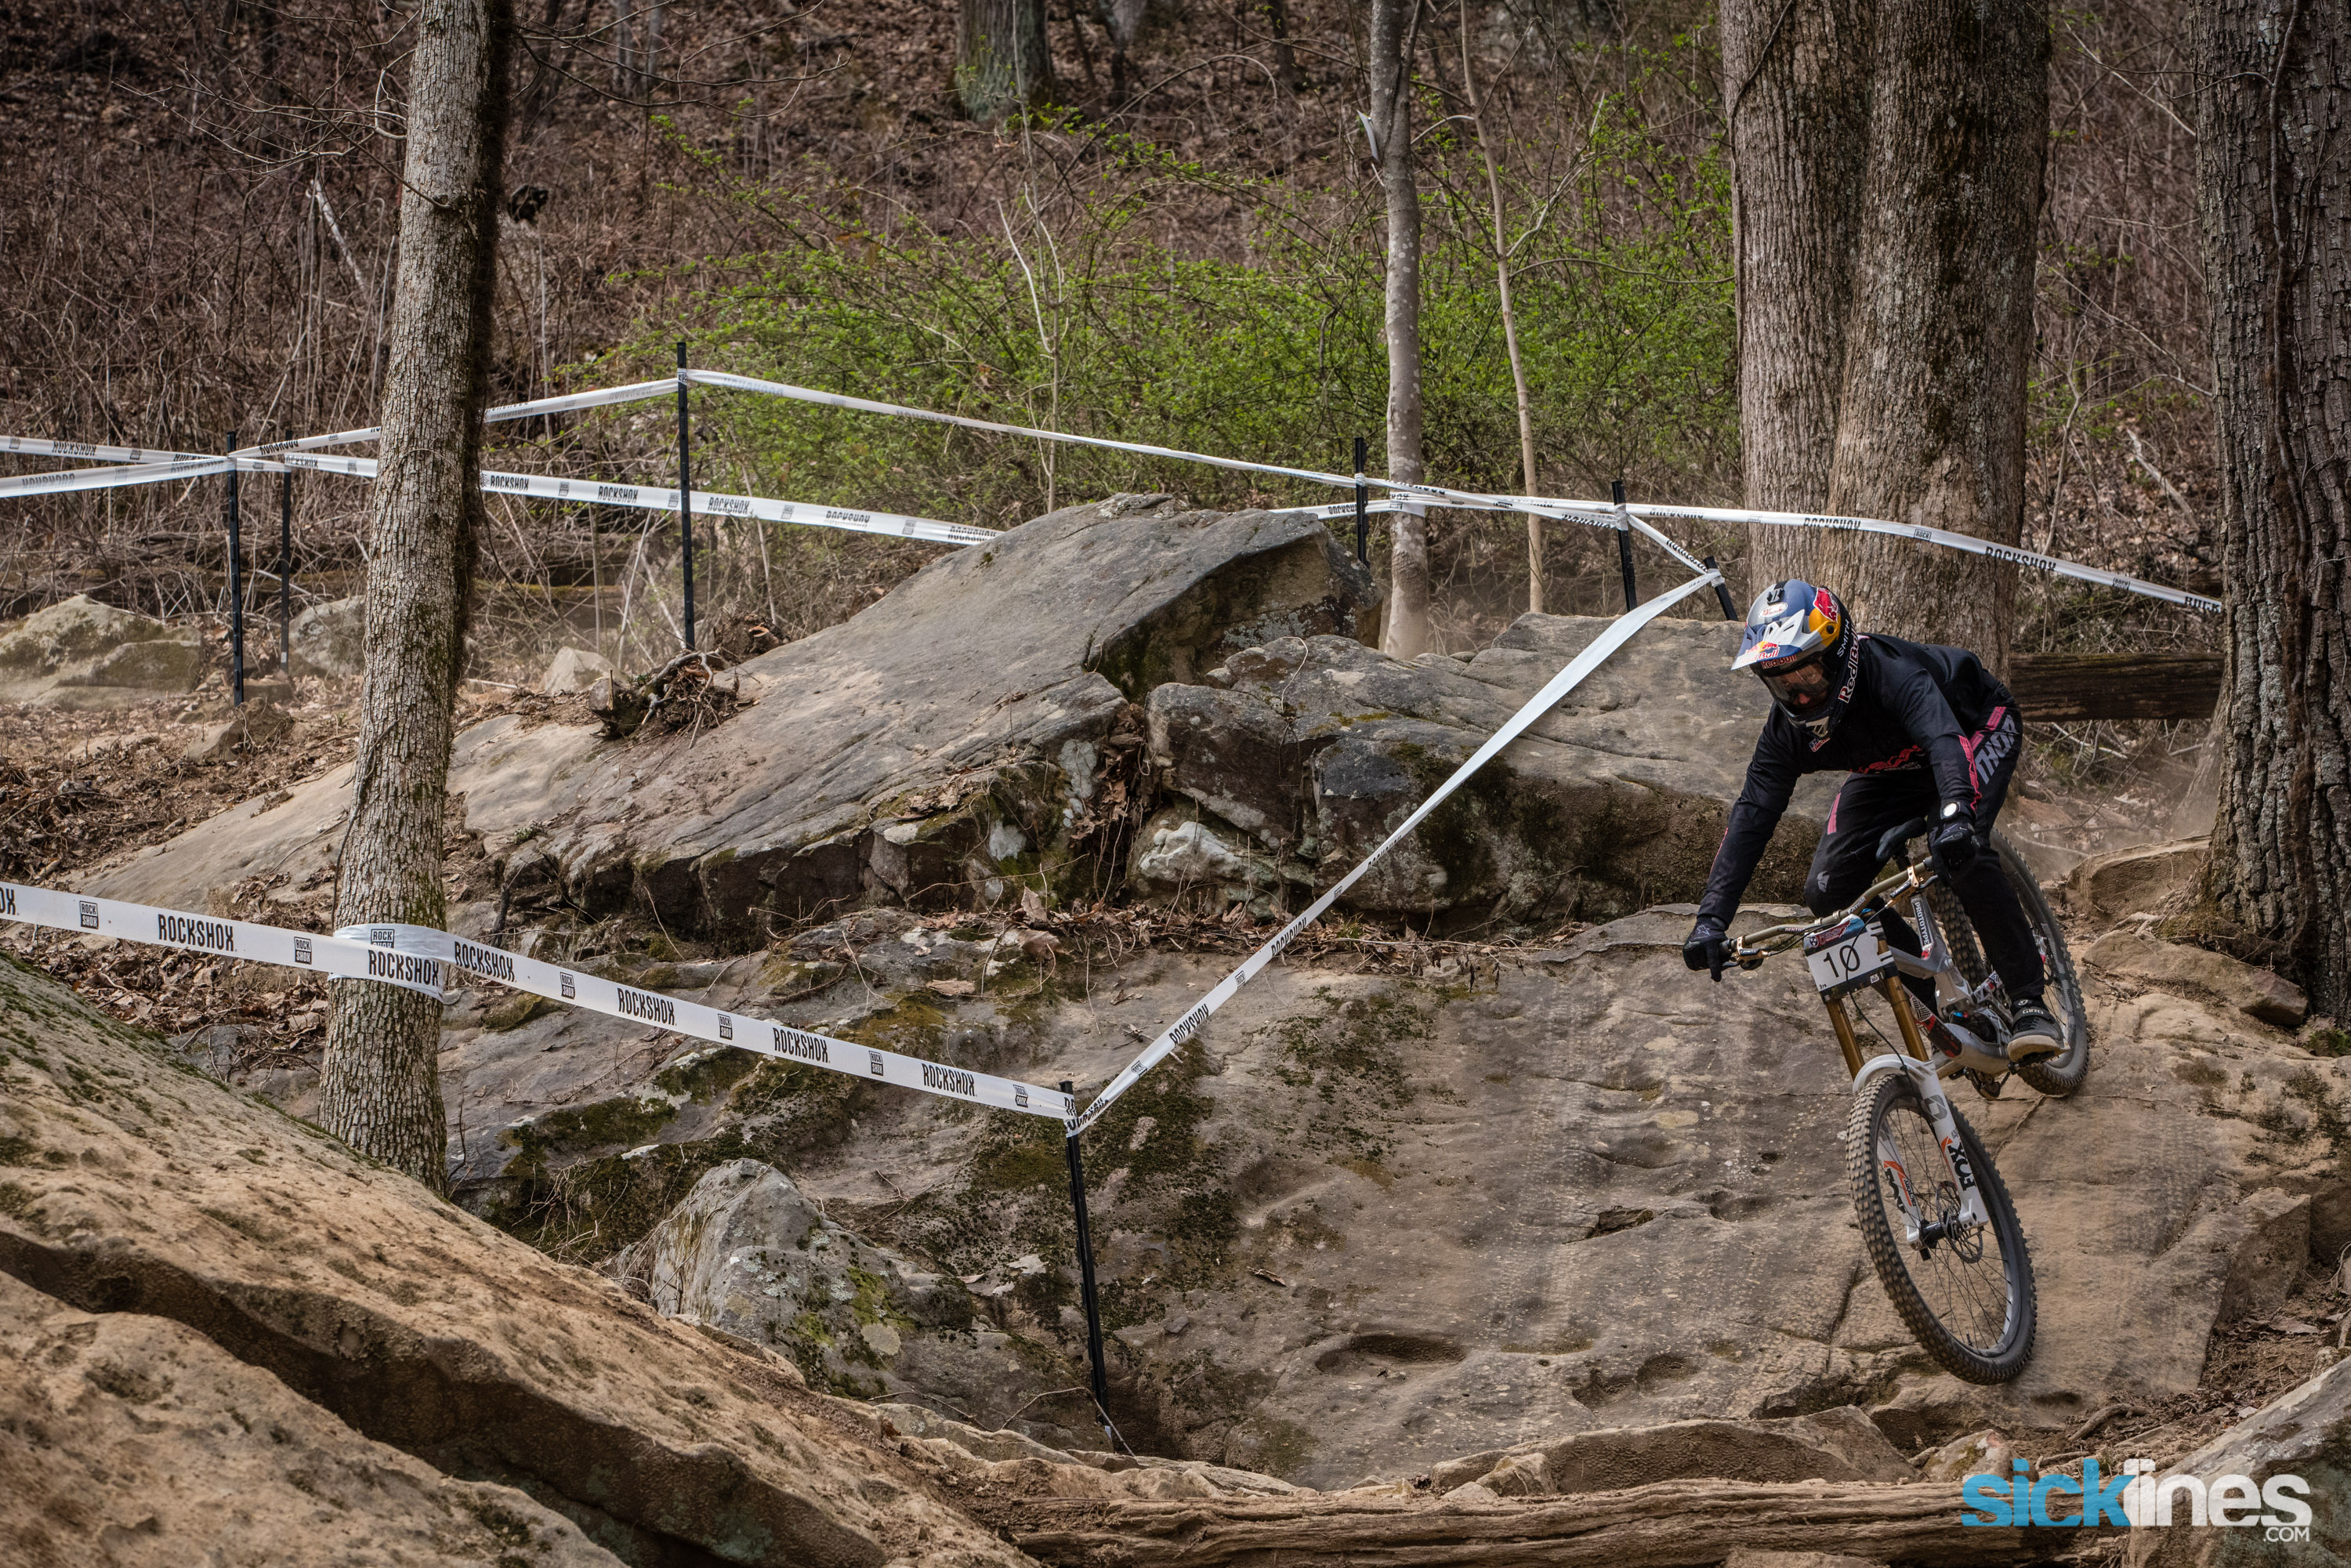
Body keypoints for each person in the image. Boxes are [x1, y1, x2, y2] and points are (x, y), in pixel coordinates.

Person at [1680, 579, 2062, 1060]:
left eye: (1809, 678)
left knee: (1959, 848)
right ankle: (1946, 1013)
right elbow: (1752, 816)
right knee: (1828, 895)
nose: (1799, 699)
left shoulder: (1890, 673)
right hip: (1891, 772)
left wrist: (1956, 814)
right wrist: (1711, 922)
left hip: (1971, 727)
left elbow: (1944, 741)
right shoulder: (1786, 733)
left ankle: (2029, 1001)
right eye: (1782, 684)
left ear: (1839, 657)